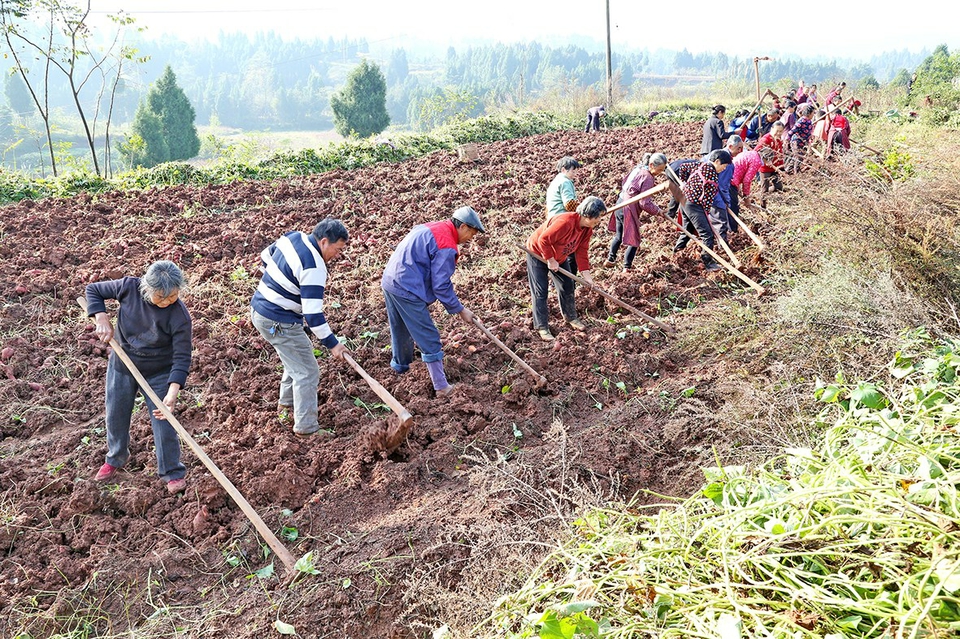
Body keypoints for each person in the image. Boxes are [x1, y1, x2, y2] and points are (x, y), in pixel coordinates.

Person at [86, 261, 192, 494]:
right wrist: (101, 317)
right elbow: (93, 290)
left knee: (163, 420)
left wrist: (172, 391)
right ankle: (116, 458)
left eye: (172, 296)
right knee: (116, 413)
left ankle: (172, 471)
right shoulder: (128, 287)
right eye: (160, 297)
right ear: (146, 288)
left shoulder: (179, 316)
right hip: (123, 363)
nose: (166, 302)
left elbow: (182, 356)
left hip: (159, 371)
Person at [251, 218, 349, 436]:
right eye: (338, 248)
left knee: (295, 357)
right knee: (307, 371)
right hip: (277, 319)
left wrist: (279, 284)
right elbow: (313, 316)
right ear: (324, 242)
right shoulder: (314, 267)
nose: (338, 254)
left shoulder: (293, 237)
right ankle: (306, 428)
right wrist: (333, 345)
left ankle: (286, 408)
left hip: (260, 309)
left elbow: (266, 256)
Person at [381, 207, 484, 395]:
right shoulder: (446, 245)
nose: (470, 239)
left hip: (391, 280)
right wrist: (460, 309)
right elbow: (441, 285)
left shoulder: (433, 227)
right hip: (407, 287)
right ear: (461, 226)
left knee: (401, 329)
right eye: (471, 233)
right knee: (429, 337)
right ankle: (441, 387)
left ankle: (400, 368)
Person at [526, 196, 605, 342]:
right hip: (537, 253)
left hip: (559, 257)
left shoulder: (587, 230)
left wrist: (587, 277)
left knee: (567, 285)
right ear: (588, 215)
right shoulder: (566, 222)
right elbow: (543, 240)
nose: (599, 221)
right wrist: (550, 259)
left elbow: (582, 252)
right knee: (540, 291)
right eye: (598, 217)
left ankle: (570, 317)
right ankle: (542, 327)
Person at [605, 153, 667, 270]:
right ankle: (626, 267)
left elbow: (624, 183)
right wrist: (658, 211)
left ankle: (610, 259)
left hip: (620, 203)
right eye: (658, 170)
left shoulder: (638, 169)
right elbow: (644, 203)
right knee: (634, 239)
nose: (659, 173)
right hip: (628, 208)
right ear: (651, 165)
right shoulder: (647, 177)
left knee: (619, 235)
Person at [674, 150, 732, 273]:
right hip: (694, 205)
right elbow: (707, 202)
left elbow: (683, 167)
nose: (724, 169)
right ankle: (708, 262)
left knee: (687, 229)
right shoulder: (712, 176)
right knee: (707, 234)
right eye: (724, 166)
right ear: (717, 162)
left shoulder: (700, 164)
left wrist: (684, 183)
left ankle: (677, 252)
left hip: (684, 200)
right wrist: (706, 218)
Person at [711, 136, 744, 239]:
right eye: (738, 148)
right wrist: (726, 202)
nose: (740, 151)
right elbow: (723, 186)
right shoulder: (727, 163)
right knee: (721, 216)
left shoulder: (716, 153)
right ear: (730, 146)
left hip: (706, 190)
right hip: (712, 191)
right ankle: (724, 240)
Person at [755, 121, 785, 207]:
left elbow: (779, 153)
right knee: (764, 190)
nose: (779, 133)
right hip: (765, 168)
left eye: (781, 131)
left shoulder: (778, 140)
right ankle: (763, 207)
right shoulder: (766, 139)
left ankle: (758, 194)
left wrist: (781, 166)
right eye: (777, 131)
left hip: (775, 167)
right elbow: (756, 152)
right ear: (772, 129)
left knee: (779, 186)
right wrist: (765, 161)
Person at [784, 103, 815, 174]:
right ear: (809, 113)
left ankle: (789, 170)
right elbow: (791, 131)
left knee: (797, 157)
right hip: (796, 142)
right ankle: (796, 173)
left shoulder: (809, 121)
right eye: (813, 113)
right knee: (798, 157)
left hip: (803, 142)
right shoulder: (801, 121)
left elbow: (809, 132)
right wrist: (787, 140)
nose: (813, 114)